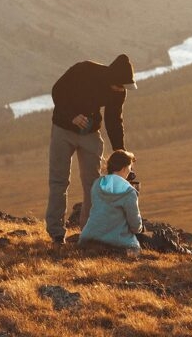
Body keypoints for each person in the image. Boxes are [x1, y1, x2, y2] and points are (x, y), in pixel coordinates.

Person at [45, 53, 137, 245]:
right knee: (59, 181)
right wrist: (72, 116)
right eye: (120, 85)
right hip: (63, 128)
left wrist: (121, 153)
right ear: (112, 77)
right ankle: (56, 233)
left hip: (89, 134)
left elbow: (114, 120)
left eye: (124, 87)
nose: (121, 89)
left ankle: (89, 232)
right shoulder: (84, 70)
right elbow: (57, 92)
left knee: (94, 185)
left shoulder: (118, 91)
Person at [78, 150, 143, 255]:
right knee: (135, 249)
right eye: (130, 167)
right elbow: (135, 226)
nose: (130, 171)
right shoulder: (129, 191)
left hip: (88, 239)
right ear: (124, 168)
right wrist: (140, 228)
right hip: (117, 243)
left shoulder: (97, 184)